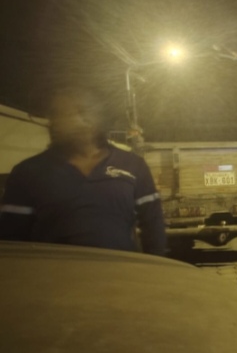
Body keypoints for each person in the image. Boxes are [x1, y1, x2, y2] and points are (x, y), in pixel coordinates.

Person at [0, 85, 167, 256]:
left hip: (120, 270)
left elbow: (153, 225)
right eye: (63, 114)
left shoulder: (133, 165)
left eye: (82, 111)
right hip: (53, 272)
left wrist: (157, 266)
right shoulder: (27, 172)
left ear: (98, 116)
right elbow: (13, 240)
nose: (75, 120)